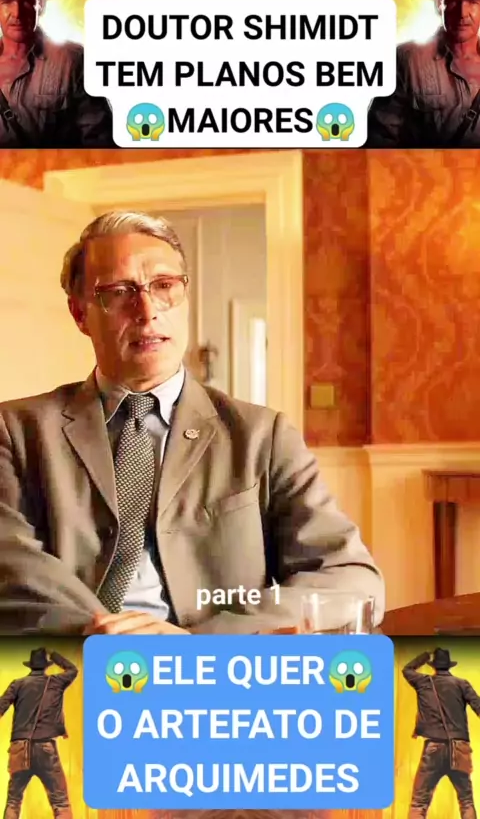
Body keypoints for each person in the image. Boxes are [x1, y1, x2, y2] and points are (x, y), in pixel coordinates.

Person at [0, 210, 384, 635]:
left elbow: (350, 579)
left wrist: (200, 646)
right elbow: (14, 574)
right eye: (119, 292)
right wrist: (109, 637)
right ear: (80, 313)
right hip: (73, 662)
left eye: (164, 286)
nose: (147, 310)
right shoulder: (15, 432)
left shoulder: (262, 435)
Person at [0, 0, 113, 147]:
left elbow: (101, 144)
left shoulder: (72, 62)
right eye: (7, 2)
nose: (17, 12)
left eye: (27, 1)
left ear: (41, 4)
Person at [367, 0, 480, 147]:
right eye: (453, 1)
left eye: (473, 2)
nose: (462, 12)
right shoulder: (407, 61)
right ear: (439, 3)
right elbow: (379, 141)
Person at [0, 647, 77, 819]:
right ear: (46, 666)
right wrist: (54, 654)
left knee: (13, 801)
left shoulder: (17, 684)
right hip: (45, 748)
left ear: (31, 666)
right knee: (60, 802)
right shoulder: (56, 682)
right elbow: (73, 670)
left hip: (20, 749)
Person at [403, 647, 480, 819]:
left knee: (419, 803)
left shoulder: (423, 682)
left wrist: (425, 654)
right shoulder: (462, 684)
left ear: (434, 666)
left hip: (434, 747)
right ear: (449, 666)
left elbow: (407, 669)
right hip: (459, 748)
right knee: (466, 801)